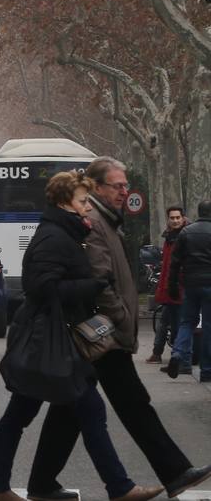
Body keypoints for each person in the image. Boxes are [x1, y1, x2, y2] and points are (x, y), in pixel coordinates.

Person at [33, 158, 210, 499]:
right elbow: (101, 280)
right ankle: (172, 472)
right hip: (104, 331)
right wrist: (120, 317)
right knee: (132, 403)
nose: (124, 191)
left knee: (70, 410)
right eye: (117, 185)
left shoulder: (107, 220)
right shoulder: (97, 223)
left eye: (125, 185)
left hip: (102, 329)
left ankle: (41, 483)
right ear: (97, 188)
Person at [0, 171, 160, 501]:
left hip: (51, 337)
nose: (87, 208)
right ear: (65, 202)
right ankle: (120, 488)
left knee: (19, 416)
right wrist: (90, 286)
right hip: (50, 339)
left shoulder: (63, 231)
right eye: (81, 201)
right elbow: (42, 286)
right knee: (87, 411)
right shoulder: (54, 237)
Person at [167, 198, 211, 383]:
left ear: (199, 212)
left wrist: (173, 286)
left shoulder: (186, 232)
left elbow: (174, 263)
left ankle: (177, 353)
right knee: (209, 327)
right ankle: (207, 370)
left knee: (186, 323)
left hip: (190, 284)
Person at [147, 206, 186, 365]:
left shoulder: (184, 237)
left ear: (183, 218)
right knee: (165, 321)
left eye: (178, 217)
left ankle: (176, 356)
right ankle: (158, 353)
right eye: (172, 218)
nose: (175, 220)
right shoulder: (169, 237)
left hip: (179, 288)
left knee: (177, 323)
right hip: (169, 287)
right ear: (168, 219)